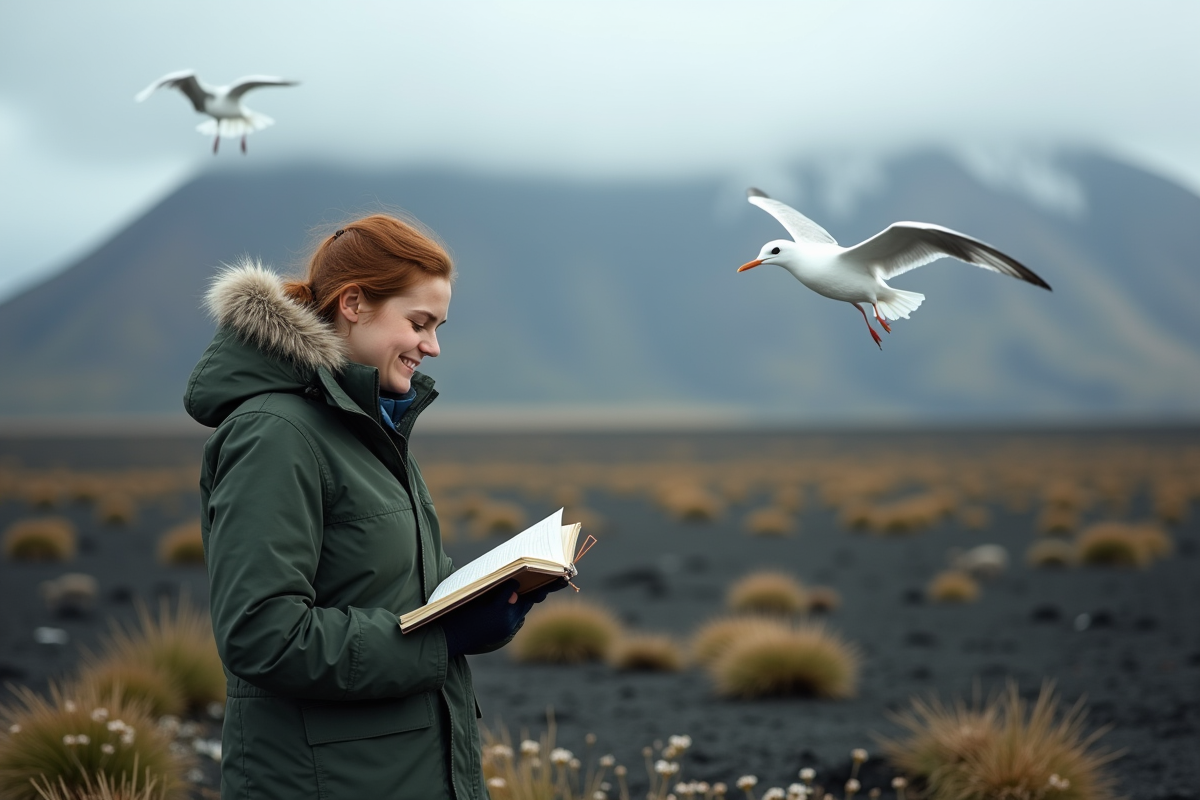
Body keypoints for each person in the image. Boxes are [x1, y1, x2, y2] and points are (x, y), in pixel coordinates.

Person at [184, 214, 559, 799]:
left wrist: (490, 600)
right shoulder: (275, 434)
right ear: (354, 303)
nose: (432, 346)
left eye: (438, 326)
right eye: (419, 323)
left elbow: (375, 591)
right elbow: (264, 636)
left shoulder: (364, 428)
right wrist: (444, 640)